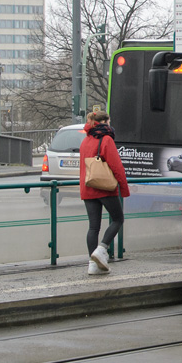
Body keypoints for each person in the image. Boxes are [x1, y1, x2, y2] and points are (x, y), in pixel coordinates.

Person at [79, 110, 130, 275]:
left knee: (93, 227)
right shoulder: (106, 139)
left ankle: (93, 265)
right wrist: (124, 187)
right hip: (105, 188)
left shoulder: (85, 141)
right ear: (106, 122)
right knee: (118, 219)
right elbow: (117, 167)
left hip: (88, 188)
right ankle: (101, 250)